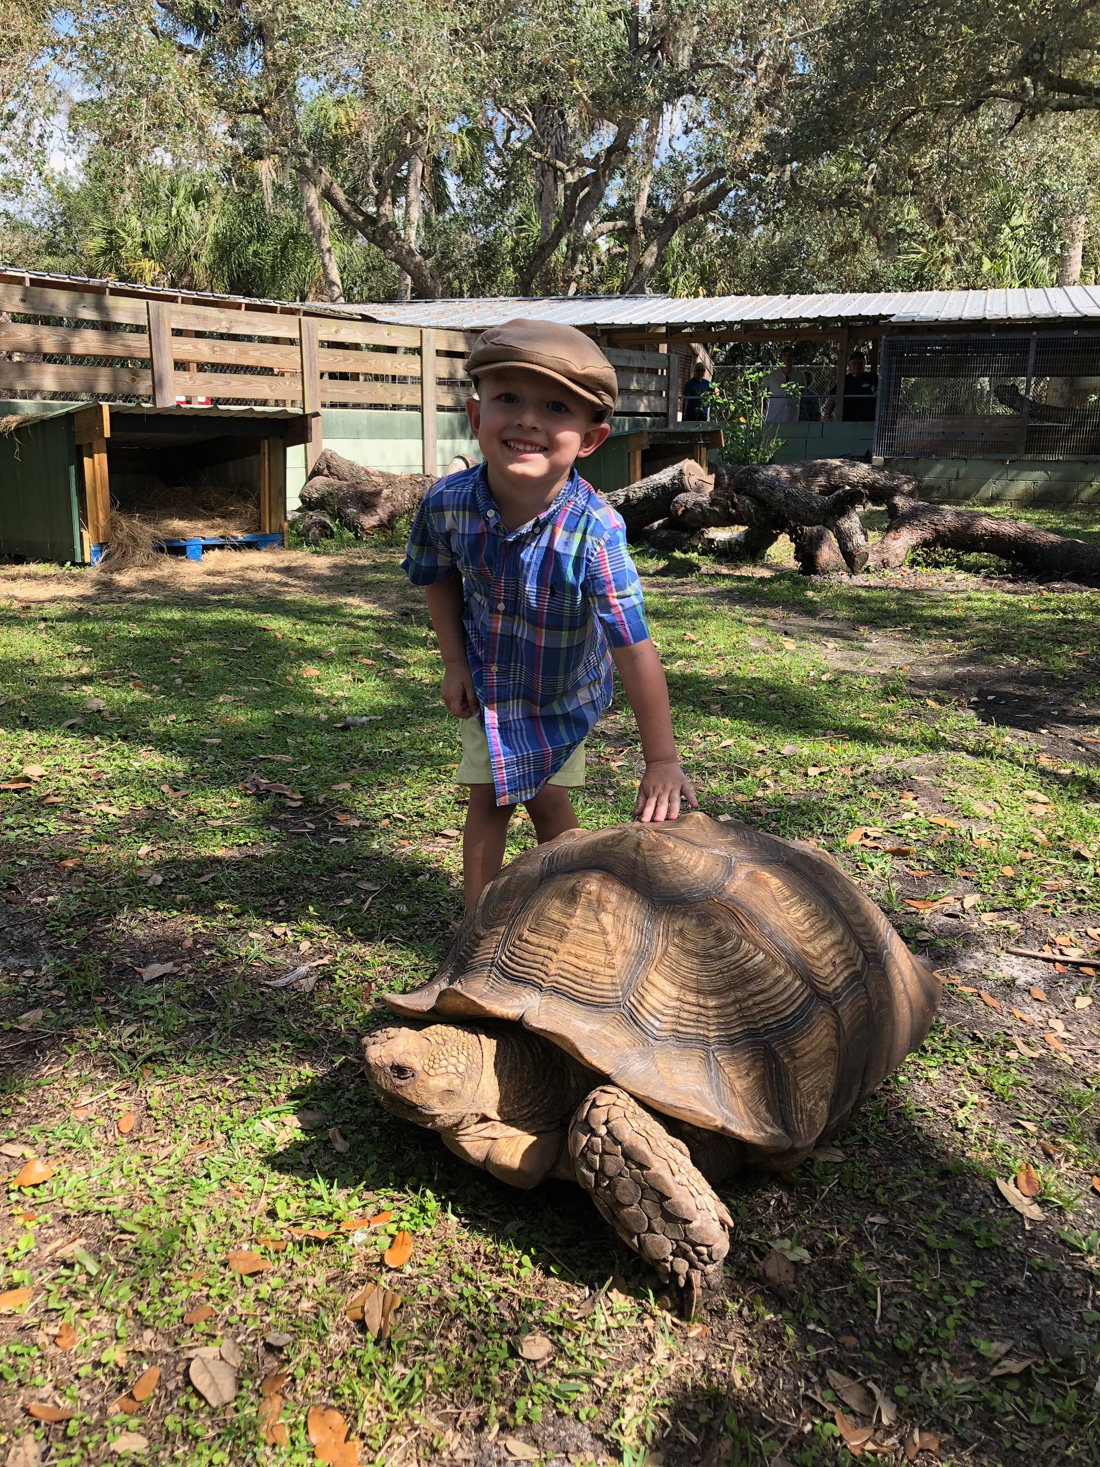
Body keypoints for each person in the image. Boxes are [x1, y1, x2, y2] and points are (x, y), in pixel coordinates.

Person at [403, 319, 698, 908]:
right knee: (490, 798)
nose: (528, 419)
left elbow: (633, 647)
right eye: (508, 398)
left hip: (561, 693)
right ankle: (479, 929)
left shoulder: (594, 533)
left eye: (556, 407)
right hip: (490, 684)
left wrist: (661, 758)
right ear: (475, 414)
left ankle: (572, 915)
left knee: (547, 802)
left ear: (589, 440)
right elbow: (436, 576)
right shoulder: (446, 503)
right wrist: (453, 662)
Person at [826, 352, 878, 422]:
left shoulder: (872, 378)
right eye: (854, 363)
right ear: (849, 365)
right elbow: (832, 397)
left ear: (864, 364)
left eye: (860, 363)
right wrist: (827, 415)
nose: (857, 366)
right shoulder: (844, 380)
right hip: (847, 420)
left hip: (868, 420)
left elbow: (880, 395)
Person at [764, 348, 811, 423]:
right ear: (780, 359)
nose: (787, 358)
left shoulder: (800, 376)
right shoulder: (771, 376)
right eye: (785, 355)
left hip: (792, 420)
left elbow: (803, 398)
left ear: (794, 359)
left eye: (790, 356)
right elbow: (764, 398)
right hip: (772, 420)